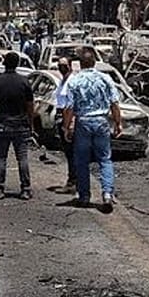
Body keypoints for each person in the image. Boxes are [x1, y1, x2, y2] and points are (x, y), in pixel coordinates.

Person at [62, 46, 121, 213]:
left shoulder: (74, 80)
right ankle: (107, 193)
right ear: (95, 62)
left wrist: (66, 126)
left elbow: (69, 107)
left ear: (80, 64)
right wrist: (118, 123)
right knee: (105, 159)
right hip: (101, 121)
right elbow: (114, 103)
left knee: (82, 160)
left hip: (84, 122)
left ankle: (84, 195)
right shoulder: (105, 79)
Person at [0, 51, 37, 199]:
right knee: (22, 158)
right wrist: (31, 124)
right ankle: (25, 189)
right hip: (21, 125)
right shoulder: (24, 82)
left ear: (4, 63)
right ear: (18, 64)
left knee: (1, 158)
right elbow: (30, 106)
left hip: (3, 124)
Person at [52, 56, 79, 194]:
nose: (61, 67)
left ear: (70, 66)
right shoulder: (62, 81)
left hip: (67, 118)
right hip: (61, 116)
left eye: (64, 65)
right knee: (68, 152)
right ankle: (73, 180)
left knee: (71, 152)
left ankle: (73, 182)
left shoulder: (72, 81)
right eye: (59, 65)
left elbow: (71, 105)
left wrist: (67, 125)